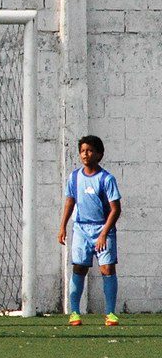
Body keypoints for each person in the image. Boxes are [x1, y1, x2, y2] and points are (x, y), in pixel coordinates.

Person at [57, 135, 122, 327]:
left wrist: (103, 234)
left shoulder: (106, 179)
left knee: (107, 268)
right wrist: (62, 226)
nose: (86, 154)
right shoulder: (74, 177)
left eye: (90, 150)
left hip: (103, 229)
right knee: (79, 268)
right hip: (81, 229)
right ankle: (74, 313)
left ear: (99, 154)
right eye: (83, 151)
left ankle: (110, 313)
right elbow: (70, 201)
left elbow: (116, 209)